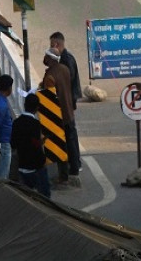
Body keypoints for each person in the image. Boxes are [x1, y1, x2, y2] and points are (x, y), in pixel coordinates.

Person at [50, 32, 82, 181]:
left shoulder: (65, 60)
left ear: (56, 44)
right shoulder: (67, 58)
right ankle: (74, 164)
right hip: (68, 102)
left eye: (51, 45)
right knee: (70, 134)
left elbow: (67, 82)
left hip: (66, 103)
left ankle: (74, 166)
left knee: (70, 135)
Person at [42, 49, 76, 186]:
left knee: (60, 146)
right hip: (69, 112)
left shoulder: (50, 76)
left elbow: (49, 97)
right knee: (70, 143)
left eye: (46, 56)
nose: (44, 58)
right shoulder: (65, 69)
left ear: (50, 58)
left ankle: (63, 176)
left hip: (58, 115)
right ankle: (74, 169)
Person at [11, 92, 50, 197]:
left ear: (24, 105)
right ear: (37, 108)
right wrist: (42, 141)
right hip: (35, 166)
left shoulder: (16, 123)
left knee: (25, 197)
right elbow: (35, 145)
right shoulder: (35, 124)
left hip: (22, 165)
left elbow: (13, 144)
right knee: (44, 196)